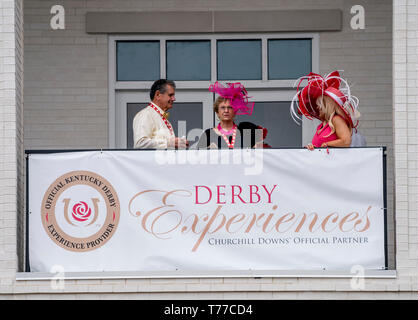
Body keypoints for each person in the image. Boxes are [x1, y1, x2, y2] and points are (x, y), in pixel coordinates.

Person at [290, 70, 362, 150]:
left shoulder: (336, 119)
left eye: (319, 105)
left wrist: (326, 144)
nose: (317, 108)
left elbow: (346, 141)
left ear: (326, 105)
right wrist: (311, 147)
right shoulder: (321, 126)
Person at [197, 82, 270, 149]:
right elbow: (197, 158)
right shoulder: (208, 134)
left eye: (230, 107)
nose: (226, 110)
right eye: (223, 108)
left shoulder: (245, 130)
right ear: (217, 112)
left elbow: (263, 155)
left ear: (235, 111)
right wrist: (207, 150)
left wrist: (258, 147)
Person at [133, 79, 188, 149]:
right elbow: (140, 144)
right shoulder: (145, 114)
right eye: (170, 95)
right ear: (158, 94)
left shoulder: (161, 117)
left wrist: (177, 144)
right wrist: (169, 143)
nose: (174, 99)